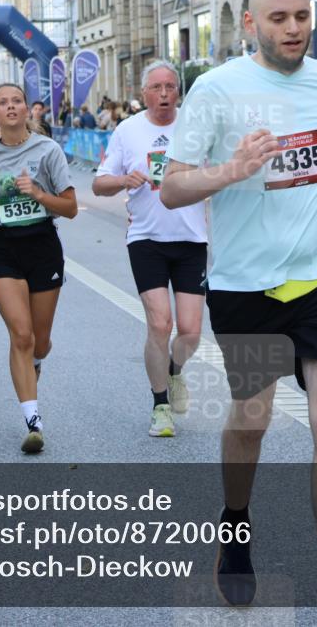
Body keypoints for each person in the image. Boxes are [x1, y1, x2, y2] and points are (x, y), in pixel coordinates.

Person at [162, 0, 317, 627]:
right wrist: (230, 171)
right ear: (250, 24)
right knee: (251, 419)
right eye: (278, 18)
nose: (293, 29)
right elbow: (172, 187)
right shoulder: (217, 90)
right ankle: (234, 525)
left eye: (301, 17)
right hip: (245, 285)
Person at [92, 60, 207, 438]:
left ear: (178, 92)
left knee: (189, 331)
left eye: (170, 87)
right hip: (146, 239)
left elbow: (218, 172)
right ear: (143, 94)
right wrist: (124, 179)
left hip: (192, 240)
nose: (163, 94)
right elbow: (99, 184)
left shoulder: (195, 129)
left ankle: (174, 372)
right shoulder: (128, 131)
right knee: (160, 323)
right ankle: (160, 405)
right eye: (156, 88)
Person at [0, 83, 78, 454]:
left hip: (42, 245)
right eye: (2, 103)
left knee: (40, 341)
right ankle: (33, 422)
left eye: (16, 101)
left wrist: (39, 194)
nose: (10, 107)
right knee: (22, 335)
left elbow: (71, 207)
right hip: (2, 246)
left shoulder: (47, 150)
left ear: (27, 109)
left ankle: (36, 363)